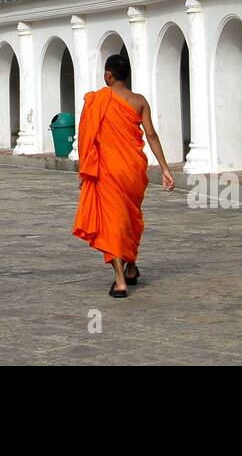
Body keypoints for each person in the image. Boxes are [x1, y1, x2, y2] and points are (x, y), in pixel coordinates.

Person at [72, 52, 175, 298]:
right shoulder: (139, 101)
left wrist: (84, 171)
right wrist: (165, 169)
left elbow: (87, 139)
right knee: (130, 218)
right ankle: (131, 267)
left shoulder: (97, 101)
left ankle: (120, 281)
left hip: (107, 172)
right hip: (132, 171)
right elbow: (151, 135)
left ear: (108, 75)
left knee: (112, 223)